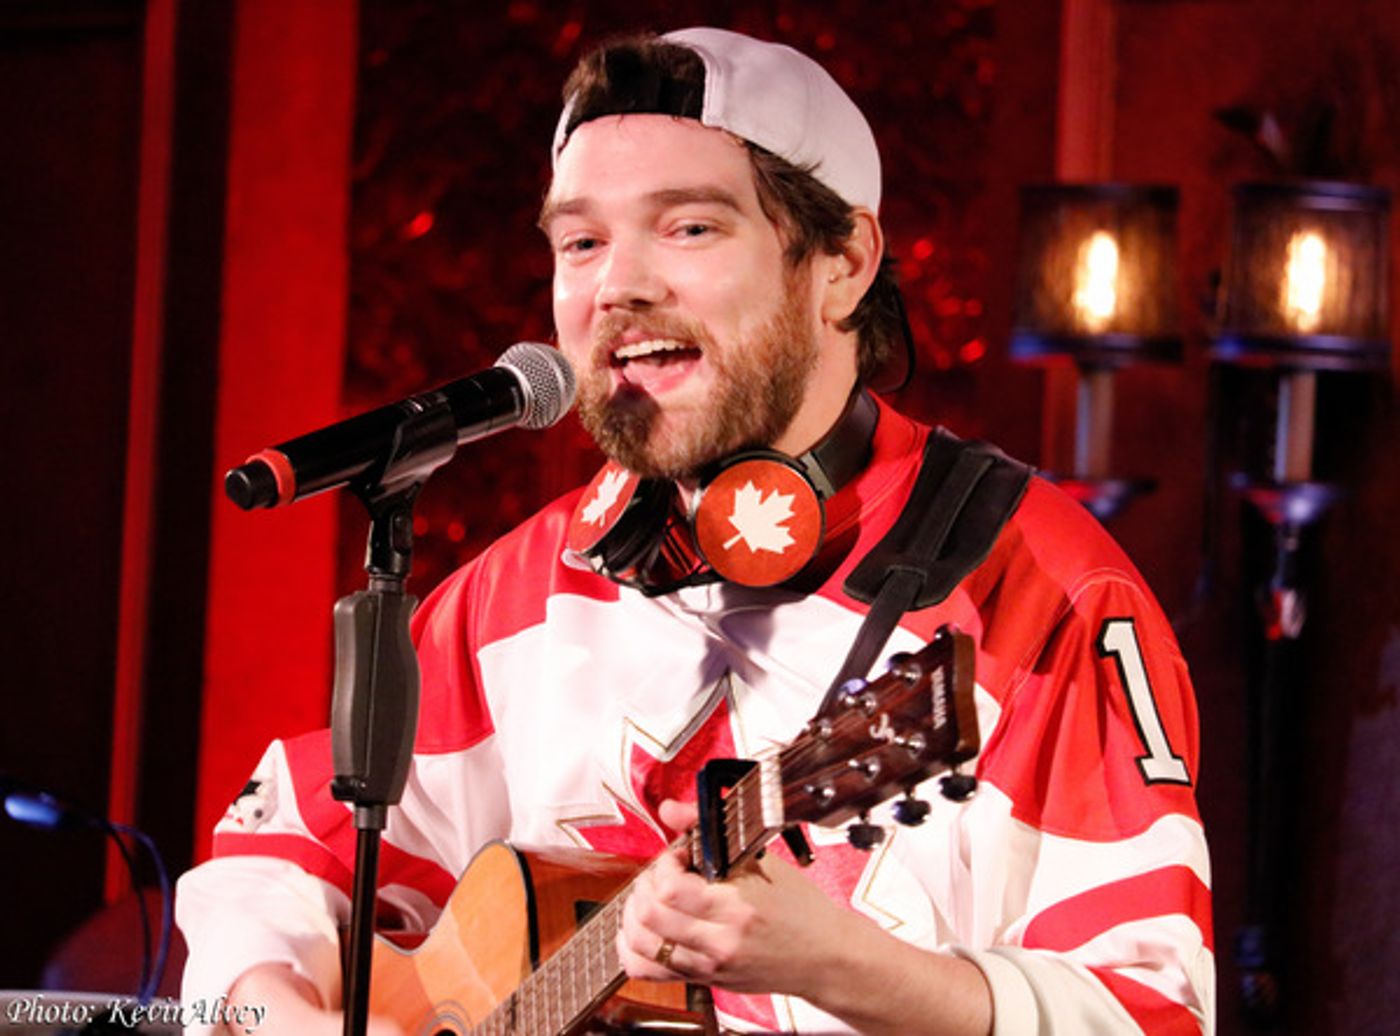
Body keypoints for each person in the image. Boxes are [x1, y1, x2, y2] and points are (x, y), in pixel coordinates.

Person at [176, 27, 1214, 1036]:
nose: (617, 286)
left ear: (841, 262)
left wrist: (847, 969)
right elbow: (275, 852)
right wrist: (266, 1002)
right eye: (580, 241)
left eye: (689, 227)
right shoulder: (519, 589)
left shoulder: (1042, 592)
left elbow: (1151, 1014)